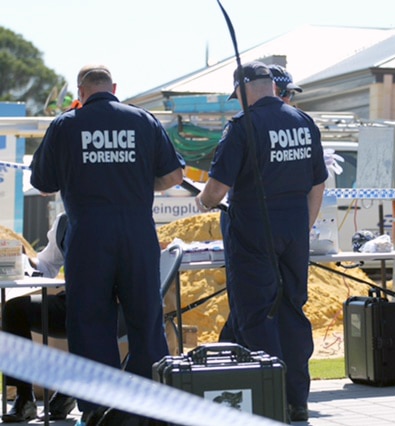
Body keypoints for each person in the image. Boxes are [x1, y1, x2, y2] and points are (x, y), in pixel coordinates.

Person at [29, 64, 185, 420]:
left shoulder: (66, 125)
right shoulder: (143, 120)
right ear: (113, 87)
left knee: (89, 321)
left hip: (89, 234)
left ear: (80, 93)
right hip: (137, 232)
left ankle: (99, 408)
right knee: (145, 319)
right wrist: (138, 186)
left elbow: (42, 184)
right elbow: (174, 175)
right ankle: (150, 405)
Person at [195, 61, 327, 422]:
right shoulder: (303, 122)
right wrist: (304, 226)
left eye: (237, 93)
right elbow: (318, 184)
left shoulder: (242, 126)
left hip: (253, 227)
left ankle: (267, 398)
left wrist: (203, 201)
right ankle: (297, 399)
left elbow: (217, 189)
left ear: (245, 88)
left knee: (255, 313)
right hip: (295, 228)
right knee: (292, 312)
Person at [1, 213, 76, 423]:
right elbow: (46, 266)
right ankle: (24, 398)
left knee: (86, 313)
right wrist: (21, 260)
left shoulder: (115, 213)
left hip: (111, 308)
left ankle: (70, 389)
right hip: (72, 303)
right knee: (14, 310)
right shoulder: (64, 221)